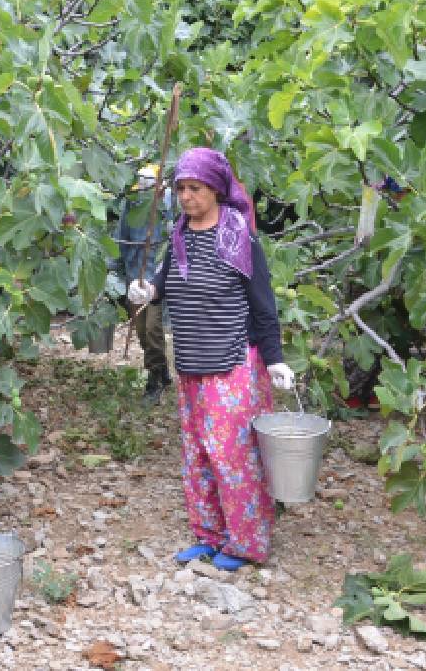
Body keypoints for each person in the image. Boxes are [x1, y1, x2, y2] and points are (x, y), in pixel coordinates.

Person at [127, 148, 294, 572]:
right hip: (192, 362)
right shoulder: (180, 234)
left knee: (233, 458)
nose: (186, 197)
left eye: (194, 189)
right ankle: (209, 534)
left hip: (233, 363)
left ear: (216, 190)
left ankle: (245, 543)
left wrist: (273, 359)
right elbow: (166, 281)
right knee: (198, 452)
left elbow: (263, 304)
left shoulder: (240, 236)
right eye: (180, 188)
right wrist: (148, 292)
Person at [112, 164, 173, 405]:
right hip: (134, 275)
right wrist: (119, 269)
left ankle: (154, 379)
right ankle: (162, 370)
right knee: (141, 331)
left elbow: (172, 239)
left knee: (152, 328)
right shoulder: (132, 201)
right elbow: (122, 234)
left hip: (155, 277)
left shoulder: (167, 203)